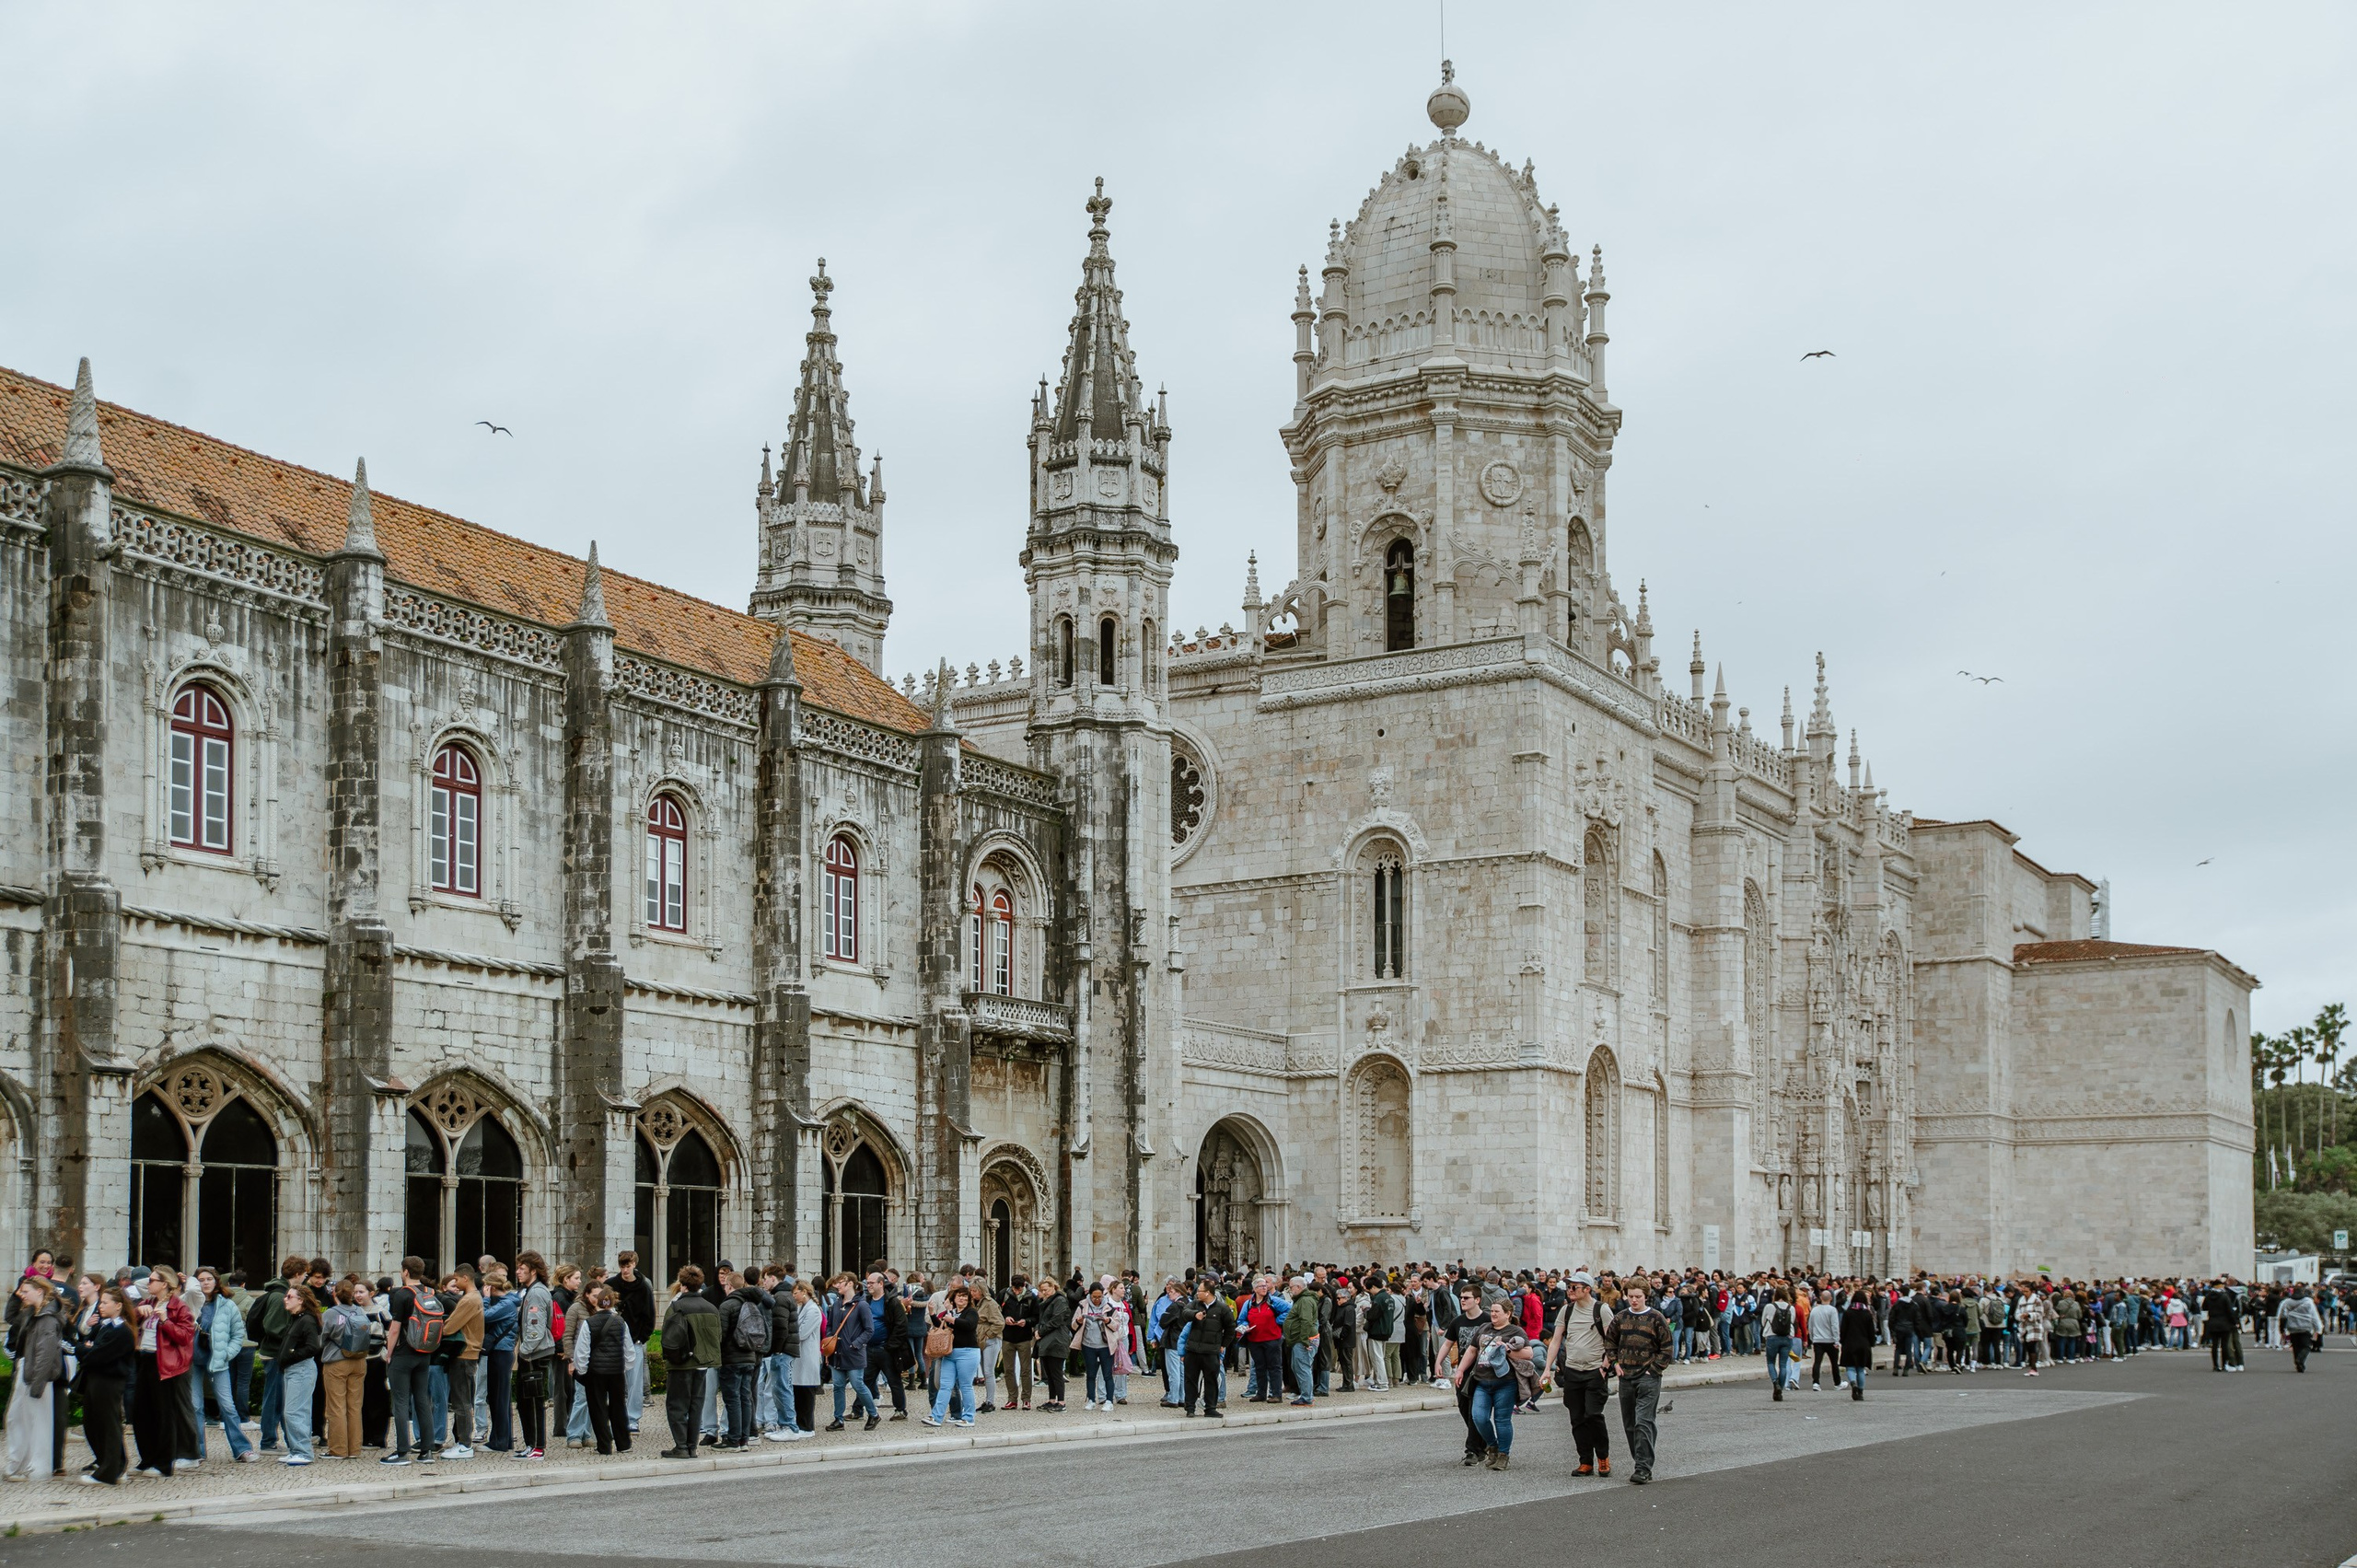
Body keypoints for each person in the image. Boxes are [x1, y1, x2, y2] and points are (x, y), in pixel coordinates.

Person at [1604, 1281, 1673, 1486]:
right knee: (1630, 1423)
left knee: (1644, 1421)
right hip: (1625, 1376)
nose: (1634, 1300)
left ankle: (1643, 1468)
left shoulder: (1656, 1318)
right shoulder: (1621, 1318)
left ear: (1646, 1296)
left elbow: (1667, 1348)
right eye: (1631, 1296)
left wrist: (1654, 1369)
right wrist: (1614, 1363)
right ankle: (1641, 1459)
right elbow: (1610, 1342)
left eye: (1638, 1296)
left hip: (1648, 1377)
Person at [1544, 1272, 1614, 1475]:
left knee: (1593, 1415)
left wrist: (1604, 1366)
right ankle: (1586, 1461)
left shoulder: (1602, 1310)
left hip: (1595, 1371)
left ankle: (1602, 1457)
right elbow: (1556, 1340)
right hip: (1573, 1371)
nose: (1570, 1290)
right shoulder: (1566, 1310)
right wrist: (1547, 1368)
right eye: (1569, 1287)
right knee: (1577, 1418)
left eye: (1575, 1287)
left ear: (1587, 1289)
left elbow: (1611, 1341)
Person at [380, 1256, 445, 1466]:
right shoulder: (430, 1293)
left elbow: (395, 1329)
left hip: (404, 1353)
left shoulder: (402, 1294)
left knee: (400, 1402)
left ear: (405, 1272)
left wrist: (389, 1354)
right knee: (422, 1402)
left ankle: (401, 1452)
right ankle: (426, 1451)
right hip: (424, 1353)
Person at [4, 1274, 64, 1481]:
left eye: (26, 1291)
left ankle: (36, 1468)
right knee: (16, 1419)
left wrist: (37, 1384)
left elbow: (45, 1354)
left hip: (36, 1376)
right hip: (27, 1371)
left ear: (39, 1291)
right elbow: (11, 1318)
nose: (22, 1295)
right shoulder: (32, 1313)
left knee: (36, 1423)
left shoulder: (47, 1319)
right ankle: (18, 1464)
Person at [75, 1283, 136, 1486]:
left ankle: (109, 1471)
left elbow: (96, 1355)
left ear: (118, 1306)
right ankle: (109, 1464)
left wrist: (87, 1351)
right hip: (97, 1380)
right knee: (93, 1424)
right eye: (100, 1302)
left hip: (109, 1382)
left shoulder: (122, 1331)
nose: (101, 1306)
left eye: (105, 1302)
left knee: (108, 1425)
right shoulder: (104, 1326)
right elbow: (84, 1347)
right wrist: (87, 1350)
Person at [1458, 1296, 1530, 1471]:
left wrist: (1508, 1351)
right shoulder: (1484, 1328)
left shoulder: (1516, 1331)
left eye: (1497, 1311)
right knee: (1478, 1417)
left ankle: (1503, 1455)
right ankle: (1493, 1446)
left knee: (1502, 1420)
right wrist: (1460, 1370)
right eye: (1492, 1311)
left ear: (1508, 1313)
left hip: (1505, 1383)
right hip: (1482, 1381)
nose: (1493, 1314)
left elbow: (1529, 1354)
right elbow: (1472, 1349)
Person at [657, 1265, 723, 1458]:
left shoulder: (677, 1307)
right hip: (703, 1363)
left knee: (677, 1405)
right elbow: (717, 1336)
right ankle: (691, 1446)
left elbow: (668, 1339)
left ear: (683, 1285)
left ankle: (681, 1446)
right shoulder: (711, 1308)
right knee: (696, 1405)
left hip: (682, 1363)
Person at [716, 1263, 772, 1447]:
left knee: (732, 1399)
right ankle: (745, 1439)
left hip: (731, 1359)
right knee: (745, 1397)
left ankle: (733, 1441)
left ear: (730, 1286)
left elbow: (721, 1335)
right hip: (750, 1356)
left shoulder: (727, 1305)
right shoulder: (752, 1304)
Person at [317, 1279, 373, 1459]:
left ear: (335, 1294)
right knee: (355, 1407)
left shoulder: (332, 1313)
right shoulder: (359, 1310)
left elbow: (320, 1339)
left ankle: (338, 1449)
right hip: (359, 1360)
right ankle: (354, 1449)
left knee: (336, 1407)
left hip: (336, 1362)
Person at [573, 1285, 632, 1455]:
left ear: (597, 1303)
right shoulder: (621, 1322)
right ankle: (623, 1443)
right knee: (618, 1407)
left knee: (598, 1408)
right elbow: (628, 1349)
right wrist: (624, 1366)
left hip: (596, 1372)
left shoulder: (589, 1323)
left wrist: (582, 1370)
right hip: (616, 1371)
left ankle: (604, 1445)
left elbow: (582, 1351)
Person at [273, 1282, 323, 1466]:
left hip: (301, 1369)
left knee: (295, 1411)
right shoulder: (297, 1318)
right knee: (293, 1411)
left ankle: (303, 1451)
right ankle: (296, 1449)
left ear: (300, 1300)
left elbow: (313, 1346)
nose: (285, 1299)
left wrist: (292, 1356)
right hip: (293, 1370)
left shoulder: (307, 1320)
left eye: (289, 1296)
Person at [823, 1273, 878, 1433]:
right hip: (836, 1353)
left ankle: (873, 1414)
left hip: (854, 1354)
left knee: (858, 1385)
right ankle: (838, 1419)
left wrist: (855, 1345)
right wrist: (829, 1343)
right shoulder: (836, 1305)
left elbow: (869, 1330)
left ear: (850, 1284)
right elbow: (829, 1327)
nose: (837, 1286)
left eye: (840, 1283)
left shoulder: (861, 1305)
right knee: (838, 1386)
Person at [437, 1272, 484, 1458]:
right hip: (469, 1353)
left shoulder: (469, 1299)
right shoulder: (473, 1297)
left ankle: (465, 1444)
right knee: (463, 1399)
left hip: (464, 1352)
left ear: (465, 1277)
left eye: (456, 1279)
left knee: (461, 1400)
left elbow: (450, 1326)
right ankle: (462, 1442)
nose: (455, 1284)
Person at [923, 1283, 982, 1427]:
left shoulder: (971, 1312)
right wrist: (932, 1313)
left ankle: (968, 1417)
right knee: (945, 1385)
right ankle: (936, 1416)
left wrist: (953, 1320)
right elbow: (940, 1325)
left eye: (964, 1297)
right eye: (959, 1296)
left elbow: (969, 1325)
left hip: (967, 1352)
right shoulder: (951, 1312)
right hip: (950, 1353)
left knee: (965, 1386)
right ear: (953, 1298)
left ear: (969, 1300)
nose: (961, 1299)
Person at [1178, 1278, 1235, 1418]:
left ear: (1208, 1293)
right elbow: (1184, 1313)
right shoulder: (1195, 1304)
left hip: (1211, 1351)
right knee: (1190, 1379)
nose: (1197, 1293)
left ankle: (1210, 1408)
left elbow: (1230, 1328)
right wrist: (1194, 1315)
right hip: (1193, 1349)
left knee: (1211, 1380)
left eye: (1200, 1291)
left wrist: (1223, 1345)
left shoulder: (1222, 1308)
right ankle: (1190, 1407)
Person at [1033, 1273, 1074, 1411]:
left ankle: (1061, 1402)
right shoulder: (1045, 1302)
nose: (1044, 1292)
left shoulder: (1060, 1301)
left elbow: (1057, 1319)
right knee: (1049, 1374)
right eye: (1042, 1290)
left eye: (1046, 1289)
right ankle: (1052, 1400)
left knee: (1056, 1373)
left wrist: (1041, 1331)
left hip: (1057, 1340)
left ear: (1053, 1287)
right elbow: (1041, 1319)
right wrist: (1037, 1330)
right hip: (1046, 1340)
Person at [1280, 1275, 1321, 1407]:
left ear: (1298, 1287)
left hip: (1303, 1340)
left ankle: (1307, 1397)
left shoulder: (1305, 1301)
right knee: (1298, 1367)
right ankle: (1306, 1395)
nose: (1290, 1290)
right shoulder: (1302, 1300)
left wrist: (1304, 1341)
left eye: (1291, 1287)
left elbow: (1306, 1321)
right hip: (1300, 1340)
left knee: (1302, 1368)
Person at [1000, 1273, 1037, 1411]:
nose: (1017, 1291)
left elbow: (1036, 1317)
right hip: (1007, 1337)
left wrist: (1026, 1322)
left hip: (1024, 1337)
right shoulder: (1004, 1294)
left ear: (1024, 1286)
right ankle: (1012, 1399)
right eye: (1015, 1289)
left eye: (1019, 1289)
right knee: (1008, 1370)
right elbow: (997, 1312)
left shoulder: (1031, 1297)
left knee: (1026, 1370)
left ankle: (1026, 1399)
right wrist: (1005, 1318)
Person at [1837, 1291, 1875, 1400]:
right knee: (1860, 1369)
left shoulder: (1848, 1312)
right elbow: (1871, 1331)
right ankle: (1861, 1392)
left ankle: (1853, 1384)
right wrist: (1872, 1343)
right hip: (1864, 1344)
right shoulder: (1867, 1313)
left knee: (1850, 1367)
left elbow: (1843, 1329)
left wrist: (1842, 1341)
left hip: (1850, 1343)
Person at [2278, 1285, 2322, 1372]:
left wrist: (2282, 1329)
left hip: (2292, 1327)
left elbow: (2282, 1316)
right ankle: (2300, 1360)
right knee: (2306, 1346)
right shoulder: (2308, 1301)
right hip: (2305, 1327)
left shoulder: (2287, 1302)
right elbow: (2314, 1316)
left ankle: (2298, 1364)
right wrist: (2318, 1328)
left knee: (2296, 1346)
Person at [1806, 1284, 1840, 1391]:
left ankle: (1816, 1382)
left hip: (1818, 1340)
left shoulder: (1814, 1310)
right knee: (1834, 1363)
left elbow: (1810, 1326)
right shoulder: (1832, 1310)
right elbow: (1834, 1326)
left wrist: (1812, 1338)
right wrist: (1837, 1340)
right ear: (1830, 1299)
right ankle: (1837, 1382)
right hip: (1830, 1340)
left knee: (1817, 1362)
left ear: (1820, 1298)